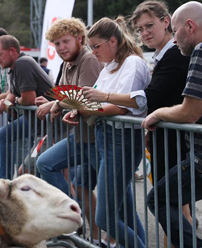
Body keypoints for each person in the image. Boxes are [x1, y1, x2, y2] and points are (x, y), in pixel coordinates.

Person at [82, 0, 192, 237]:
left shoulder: (172, 55)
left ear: (167, 22)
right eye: (140, 29)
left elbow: (149, 99)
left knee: (167, 206)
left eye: (149, 25)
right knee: (166, 207)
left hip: (172, 139)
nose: (145, 32)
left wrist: (101, 100)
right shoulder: (164, 55)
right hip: (159, 137)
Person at [66, 16, 151, 248]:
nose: (93, 52)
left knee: (106, 217)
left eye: (96, 46)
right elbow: (98, 101)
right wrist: (78, 110)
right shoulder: (110, 65)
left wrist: (85, 108)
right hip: (107, 138)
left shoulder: (132, 63)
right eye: (90, 47)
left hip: (121, 140)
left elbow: (121, 106)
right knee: (122, 210)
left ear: (113, 41)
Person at [34, 17, 103, 245]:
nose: (61, 47)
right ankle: (76, 222)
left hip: (98, 138)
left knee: (116, 203)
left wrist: (55, 104)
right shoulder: (66, 63)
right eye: (57, 44)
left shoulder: (89, 59)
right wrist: (49, 100)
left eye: (65, 41)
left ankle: (87, 228)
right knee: (46, 164)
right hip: (82, 137)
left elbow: (84, 97)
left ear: (79, 39)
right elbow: (62, 93)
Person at [142, 2, 202, 247]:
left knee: (160, 199)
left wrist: (158, 114)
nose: (175, 40)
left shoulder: (200, 51)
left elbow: (190, 112)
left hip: (200, 157)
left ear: (189, 26)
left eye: (175, 31)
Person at [0, 35, 54, 179]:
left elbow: (28, 99)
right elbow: (12, 96)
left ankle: (5, 187)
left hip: (50, 129)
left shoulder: (23, 64)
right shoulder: (14, 68)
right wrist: (6, 103)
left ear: (12, 51)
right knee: (28, 172)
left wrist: (15, 100)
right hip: (41, 128)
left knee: (28, 173)